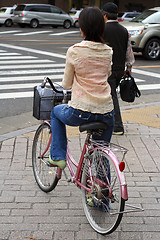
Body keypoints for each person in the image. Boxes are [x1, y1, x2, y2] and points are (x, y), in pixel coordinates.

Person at [48, 7, 114, 170]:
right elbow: (108, 73)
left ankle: (58, 156)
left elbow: (67, 84)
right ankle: (102, 190)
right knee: (101, 152)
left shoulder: (75, 51)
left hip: (81, 111)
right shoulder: (108, 51)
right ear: (101, 27)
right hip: (107, 112)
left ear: (82, 28)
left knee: (56, 113)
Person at [102, 2, 135, 135]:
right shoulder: (124, 31)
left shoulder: (101, 30)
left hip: (106, 69)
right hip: (120, 69)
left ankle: (117, 126)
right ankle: (107, 122)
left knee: (111, 96)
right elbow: (129, 52)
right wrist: (129, 68)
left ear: (104, 15)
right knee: (110, 95)